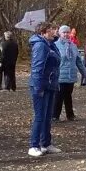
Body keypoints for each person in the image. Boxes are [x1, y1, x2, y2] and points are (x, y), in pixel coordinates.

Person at [28, 22, 61, 157]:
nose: (55, 32)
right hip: (41, 85)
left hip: (50, 84)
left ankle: (45, 143)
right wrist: (38, 87)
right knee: (40, 116)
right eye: (52, 30)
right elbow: (37, 68)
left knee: (47, 116)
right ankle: (34, 145)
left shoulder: (50, 44)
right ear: (43, 32)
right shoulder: (41, 46)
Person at [54, 25, 86, 121]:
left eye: (67, 32)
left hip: (71, 75)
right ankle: (55, 115)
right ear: (60, 33)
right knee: (58, 97)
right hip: (60, 75)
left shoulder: (73, 46)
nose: (66, 34)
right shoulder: (55, 45)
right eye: (64, 32)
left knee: (68, 96)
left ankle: (70, 115)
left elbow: (78, 61)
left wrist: (84, 73)